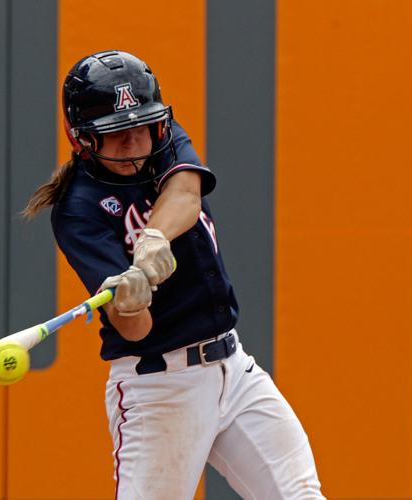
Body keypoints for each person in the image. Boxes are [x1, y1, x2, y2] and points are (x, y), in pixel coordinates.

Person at [23, 50, 324, 499]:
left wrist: (151, 240)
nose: (133, 143)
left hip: (234, 369)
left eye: (141, 127)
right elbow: (136, 330)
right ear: (83, 138)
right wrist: (130, 298)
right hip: (159, 388)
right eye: (116, 134)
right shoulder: (78, 209)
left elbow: (185, 191)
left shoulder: (162, 142)